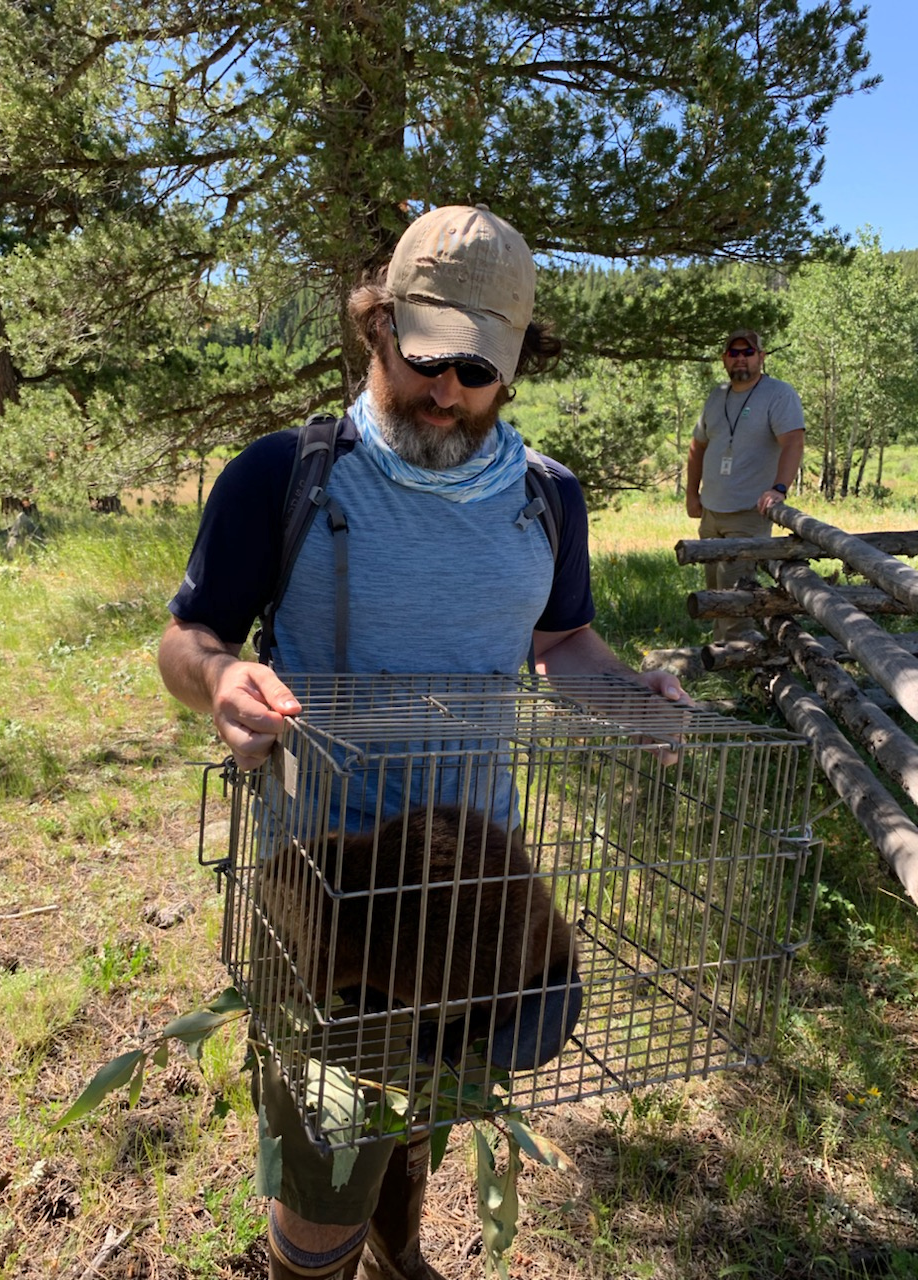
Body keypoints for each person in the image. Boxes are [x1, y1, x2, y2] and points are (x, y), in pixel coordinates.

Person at [158, 204, 688, 1280]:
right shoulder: (284, 474)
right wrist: (220, 678)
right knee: (325, 1158)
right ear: (376, 324)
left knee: (423, 1112)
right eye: (423, 354)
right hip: (325, 889)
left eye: (476, 369)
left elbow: (564, 640)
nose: (444, 390)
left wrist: (633, 697)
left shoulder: (548, 498)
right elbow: (188, 637)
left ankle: (402, 1252)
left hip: (475, 891)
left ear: (515, 366)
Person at [685, 328, 805, 642]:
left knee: (736, 594)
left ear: (761, 357)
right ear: (725, 358)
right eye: (734, 353)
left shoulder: (778, 394)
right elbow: (697, 447)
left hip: (747, 511)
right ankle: (721, 651)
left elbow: (793, 441)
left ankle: (742, 660)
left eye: (748, 352)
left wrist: (778, 489)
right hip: (712, 509)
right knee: (715, 591)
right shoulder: (717, 394)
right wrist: (691, 495)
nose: (741, 359)